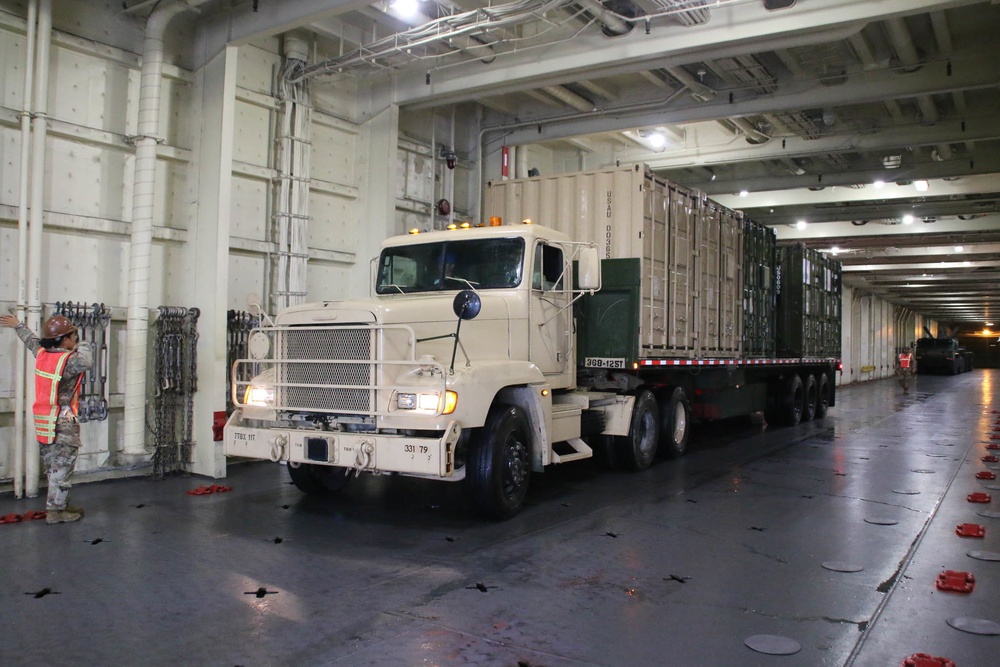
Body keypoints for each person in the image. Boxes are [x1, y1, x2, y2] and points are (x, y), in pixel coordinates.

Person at [1, 313, 93, 523]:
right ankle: (55, 512)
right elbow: (86, 361)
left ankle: (62, 504)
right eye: (72, 335)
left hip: (45, 422)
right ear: (66, 339)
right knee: (63, 466)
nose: (74, 339)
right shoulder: (69, 361)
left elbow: (31, 341)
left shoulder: (43, 354)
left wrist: (19, 326)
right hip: (62, 423)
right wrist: (84, 342)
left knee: (55, 466)